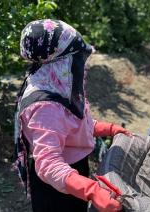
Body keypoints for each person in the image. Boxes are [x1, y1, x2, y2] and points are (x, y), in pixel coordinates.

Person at [14, 19, 131, 212]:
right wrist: (92, 190)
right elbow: (49, 164)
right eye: (77, 58)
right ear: (60, 60)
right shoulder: (45, 106)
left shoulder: (56, 86)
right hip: (56, 186)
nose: (82, 64)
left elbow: (70, 125)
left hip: (72, 172)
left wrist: (107, 129)